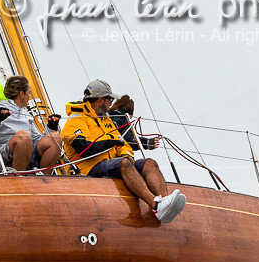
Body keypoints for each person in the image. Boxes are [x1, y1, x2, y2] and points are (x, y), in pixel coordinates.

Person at [61, 79, 185, 223]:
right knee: (123, 163)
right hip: (89, 168)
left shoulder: (106, 120)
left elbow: (123, 144)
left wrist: (128, 156)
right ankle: (156, 205)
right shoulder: (75, 120)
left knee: (149, 163)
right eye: (110, 100)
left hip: (112, 163)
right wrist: (113, 143)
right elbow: (86, 149)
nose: (111, 104)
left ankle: (165, 202)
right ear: (101, 100)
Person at [0, 75, 60, 173]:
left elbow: (36, 142)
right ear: (22, 94)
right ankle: (19, 182)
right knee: (23, 136)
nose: (30, 97)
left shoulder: (26, 115)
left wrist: (51, 128)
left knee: (54, 138)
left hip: (25, 162)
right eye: (29, 93)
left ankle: (44, 182)